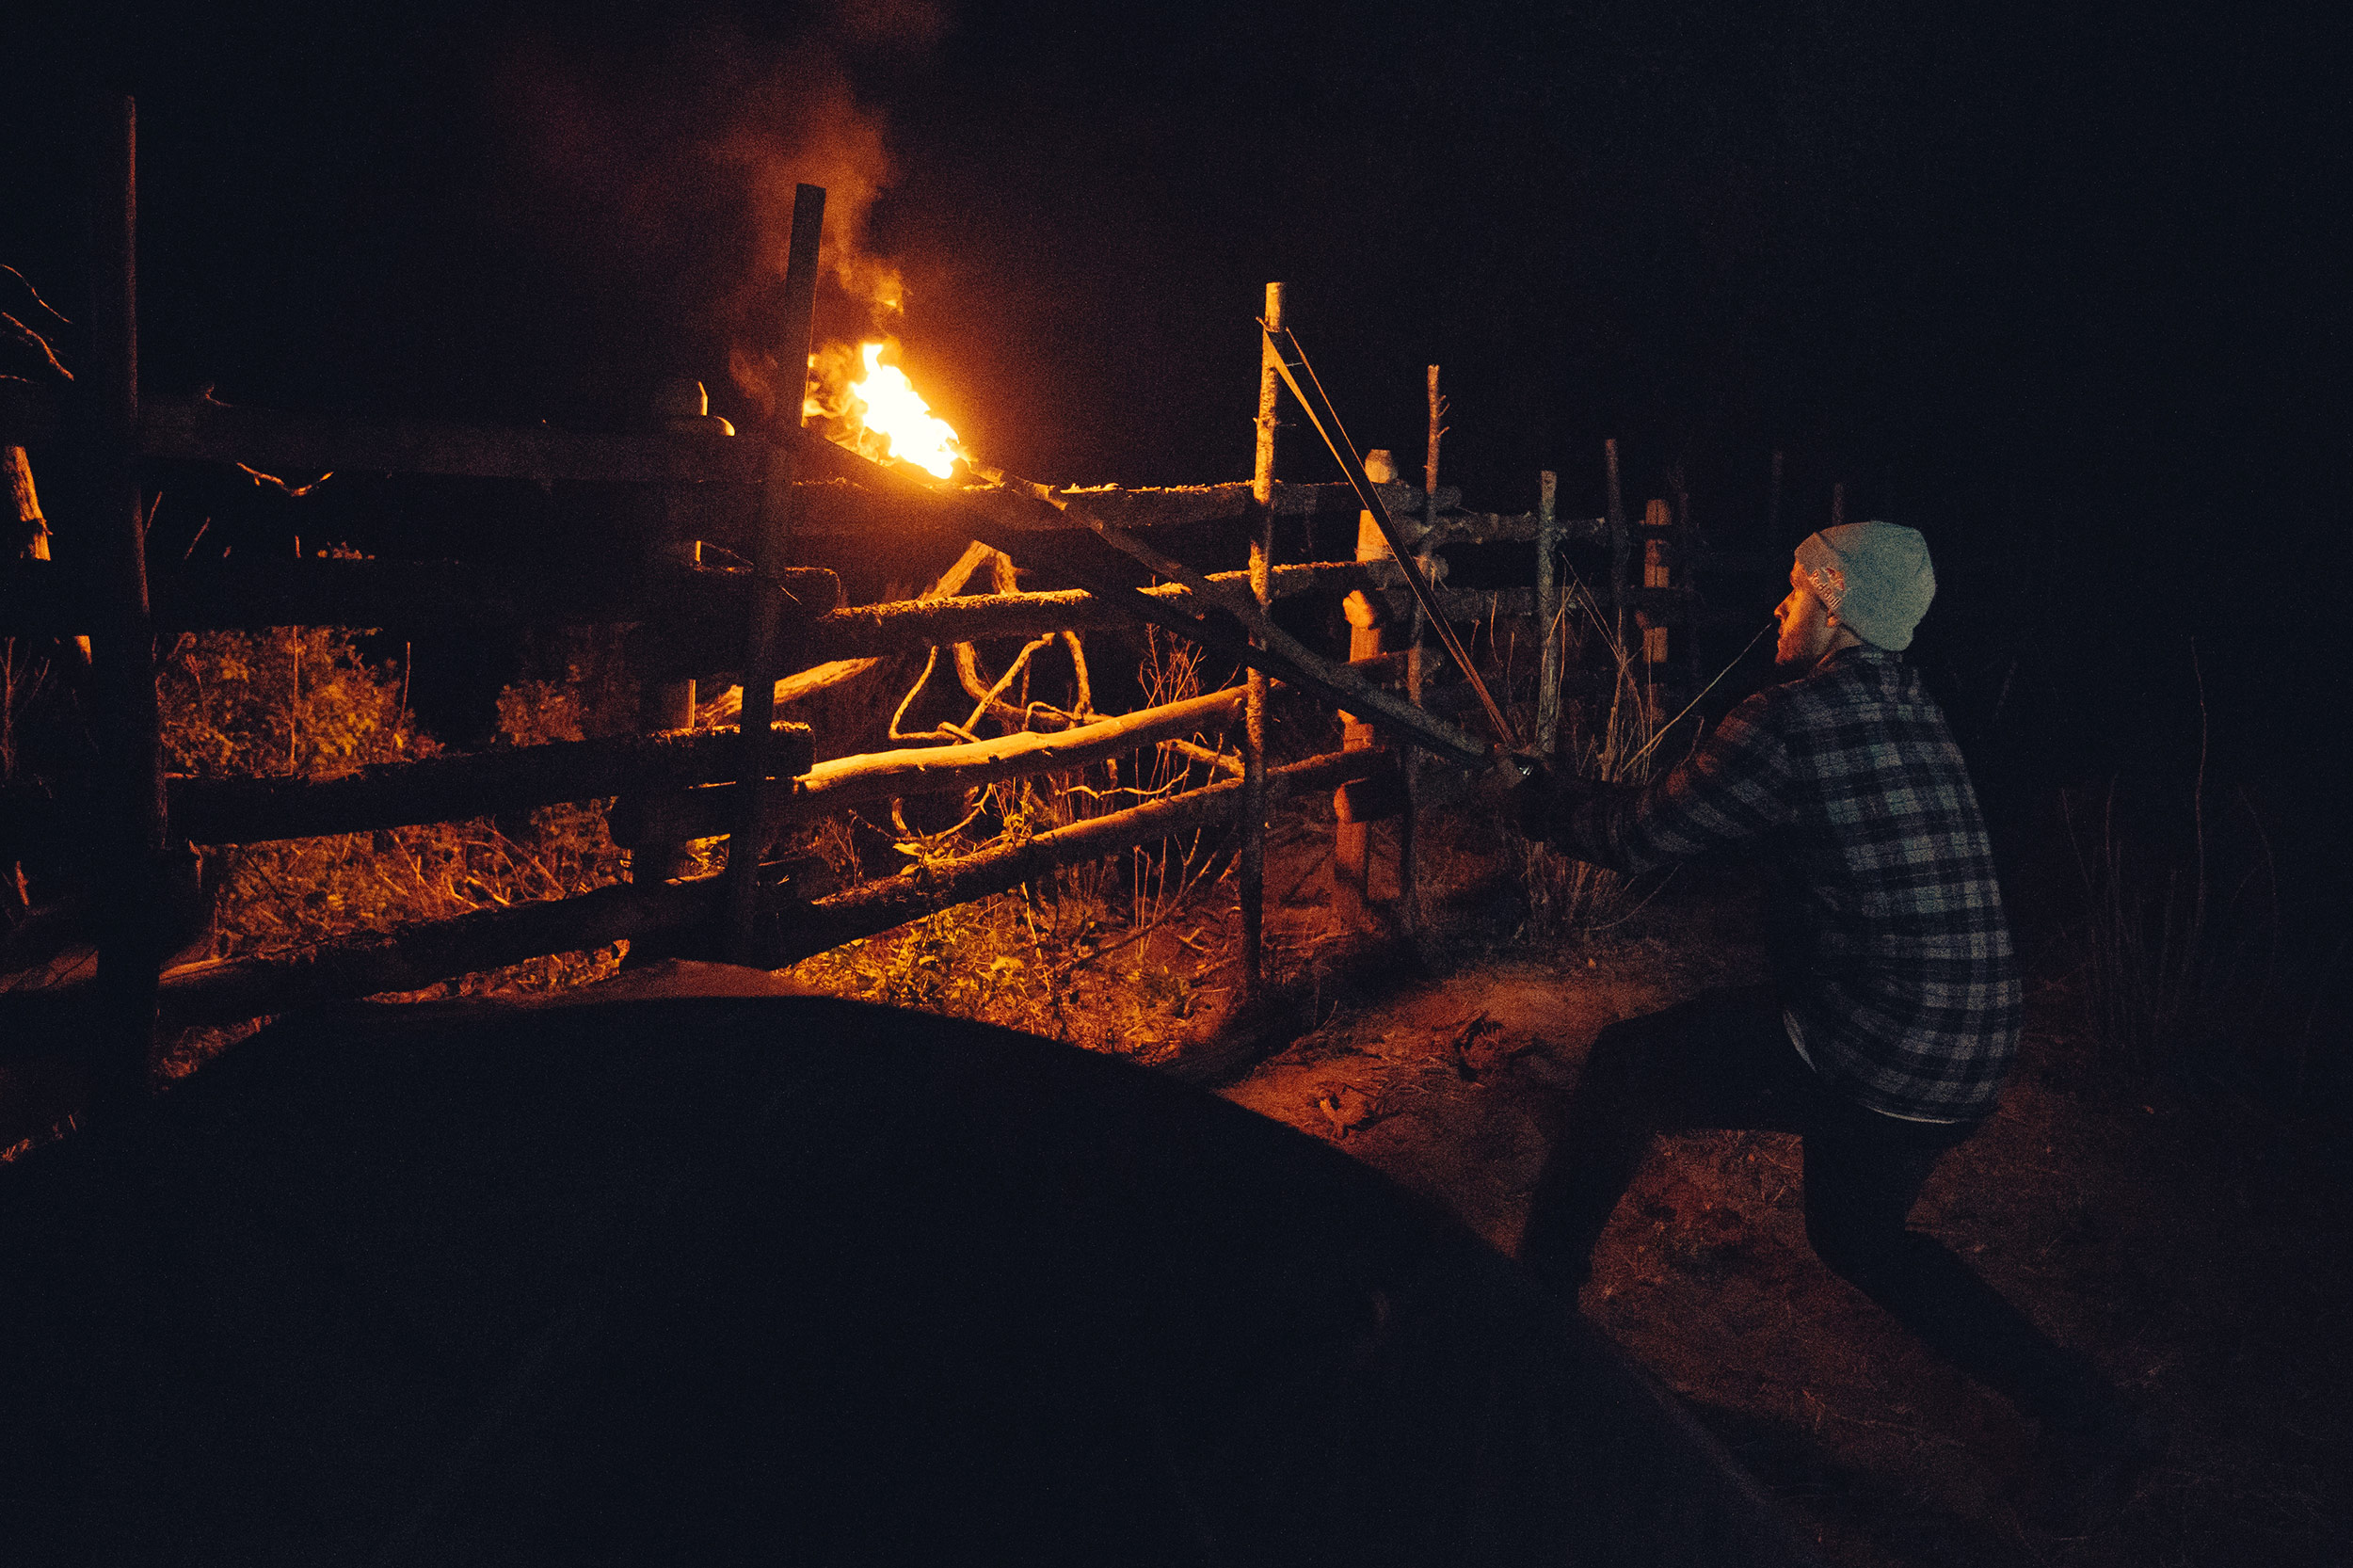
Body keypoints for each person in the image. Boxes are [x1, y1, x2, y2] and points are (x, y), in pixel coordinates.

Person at [1513, 520, 2155, 1526]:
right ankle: (2096, 1419)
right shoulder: (1914, 705)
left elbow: (1643, 835)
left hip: (1881, 1039)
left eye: (1797, 589)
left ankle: (1529, 1315)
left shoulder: (1788, 719)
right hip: (1971, 1046)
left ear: (1839, 604)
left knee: (1629, 1064)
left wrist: (1538, 800)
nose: (1780, 606)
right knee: (1858, 1234)